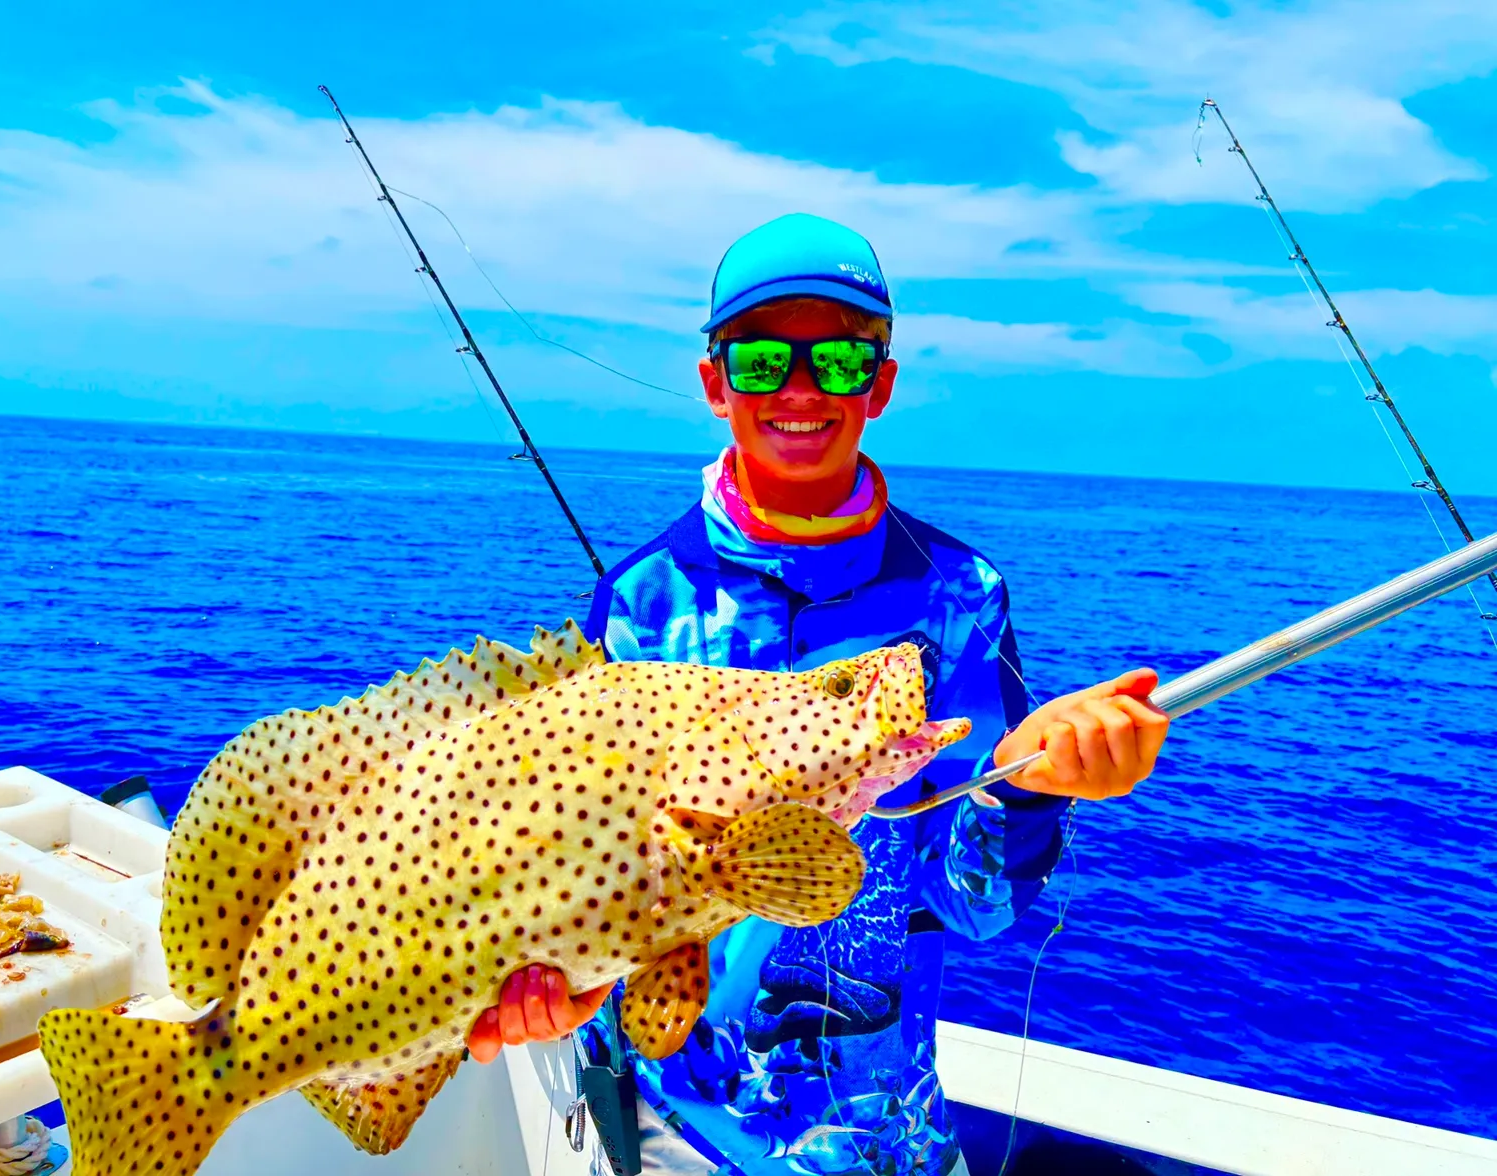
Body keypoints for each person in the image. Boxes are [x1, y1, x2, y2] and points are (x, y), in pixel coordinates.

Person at [464, 213, 1169, 1175]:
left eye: (838, 360)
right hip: (681, 1137)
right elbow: (593, 873)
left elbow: (976, 907)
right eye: (762, 362)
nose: (800, 390)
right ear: (716, 384)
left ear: (879, 383)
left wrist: (1034, 779)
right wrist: (551, 980)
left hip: (889, 1145)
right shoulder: (640, 604)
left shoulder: (959, 599)